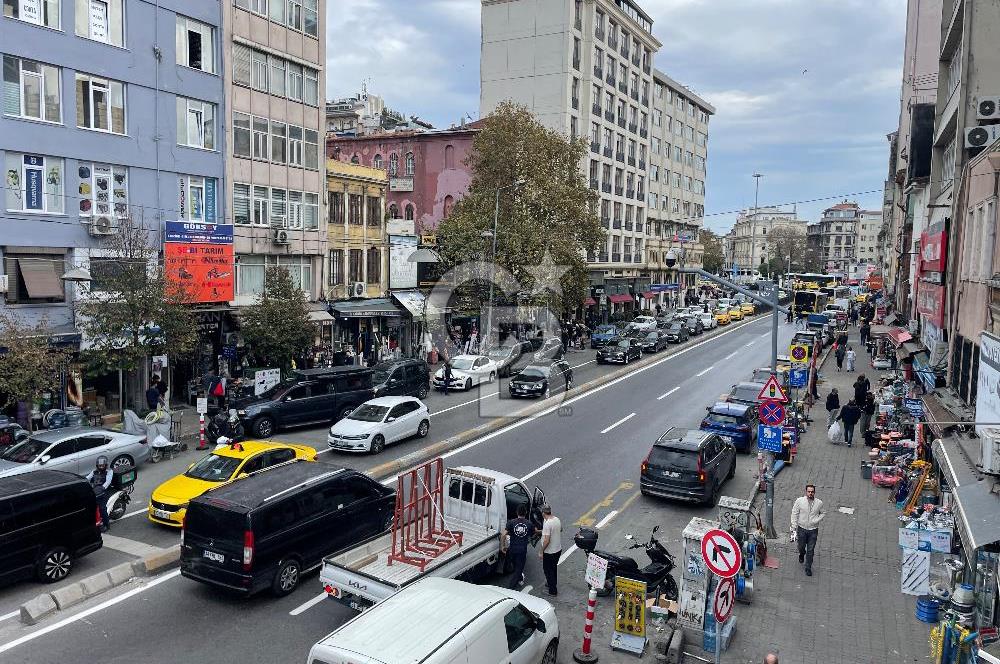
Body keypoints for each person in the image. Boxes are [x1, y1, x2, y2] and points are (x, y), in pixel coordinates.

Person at [790, 484, 825, 576]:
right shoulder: (799, 501)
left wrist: (816, 520)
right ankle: (802, 553)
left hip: (813, 530)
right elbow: (794, 513)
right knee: (801, 546)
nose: (810, 493)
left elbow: (823, 513)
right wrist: (794, 526)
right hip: (801, 529)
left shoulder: (819, 503)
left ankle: (808, 567)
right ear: (806, 492)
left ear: (814, 492)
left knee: (811, 549)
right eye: (809, 491)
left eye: (812, 492)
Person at [501, 504, 535, 589]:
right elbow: (533, 533)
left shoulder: (511, 522)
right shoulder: (529, 524)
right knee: (518, 569)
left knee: (515, 565)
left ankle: (520, 578)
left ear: (517, 512)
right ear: (526, 512)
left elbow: (503, 534)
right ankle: (510, 588)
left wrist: (502, 546)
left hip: (512, 549)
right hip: (521, 551)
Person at [538, 505, 562, 596]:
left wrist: (541, 551)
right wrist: (539, 531)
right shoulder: (556, 519)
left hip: (550, 552)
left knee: (548, 570)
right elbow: (561, 529)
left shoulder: (547, 524)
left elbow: (547, 541)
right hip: (558, 549)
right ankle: (551, 583)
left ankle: (553, 591)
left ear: (543, 513)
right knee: (553, 568)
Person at [87, 456, 113, 532]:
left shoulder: (109, 472)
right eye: (99, 466)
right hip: (95, 491)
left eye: (102, 465)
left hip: (104, 492)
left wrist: (102, 488)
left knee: (102, 508)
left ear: (106, 465)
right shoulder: (94, 471)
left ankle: (106, 524)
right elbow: (87, 478)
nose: (101, 467)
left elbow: (108, 482)